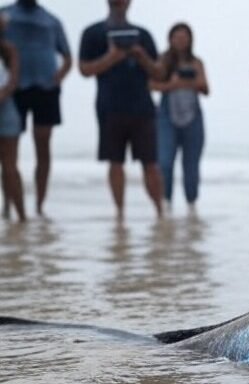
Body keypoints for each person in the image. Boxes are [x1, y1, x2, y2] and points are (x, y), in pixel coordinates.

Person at [79, 0, 164, 221]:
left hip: (143, 108)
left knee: (151, 163)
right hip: (109, 107)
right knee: (115, 162)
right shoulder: (93, 33)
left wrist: (141, 56)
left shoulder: (142, 35)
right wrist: (112, 57)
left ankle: (160, 212)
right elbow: (84, 69)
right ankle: (120, 213)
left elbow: (159, 73)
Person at [2, 0, 71, 218]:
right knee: (8, 151)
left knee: (43, 144)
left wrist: (57, 78)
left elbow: (68, 57)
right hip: (15, 90)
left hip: (45, 88)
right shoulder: (5, 14)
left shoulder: (51, 20)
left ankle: (40, 204)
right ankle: (8, 204)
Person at [151, 23, 208, 216]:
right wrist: (172, 84)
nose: (181, 40)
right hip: (167, 114)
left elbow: (206, 88)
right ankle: (166, 201)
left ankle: (191, 204)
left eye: (185, 37)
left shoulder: (196, 62)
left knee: (191, 165)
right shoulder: (162, 60)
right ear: (170, 38)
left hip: (193, 115)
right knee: (165, 161)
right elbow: (151, 85)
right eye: (177, 36)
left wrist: (190, 81)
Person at [0, 15, 25, 222]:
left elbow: (13, 82)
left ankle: (21, 216)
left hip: (6, 111)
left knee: (10, 166)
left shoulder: (8, 49)